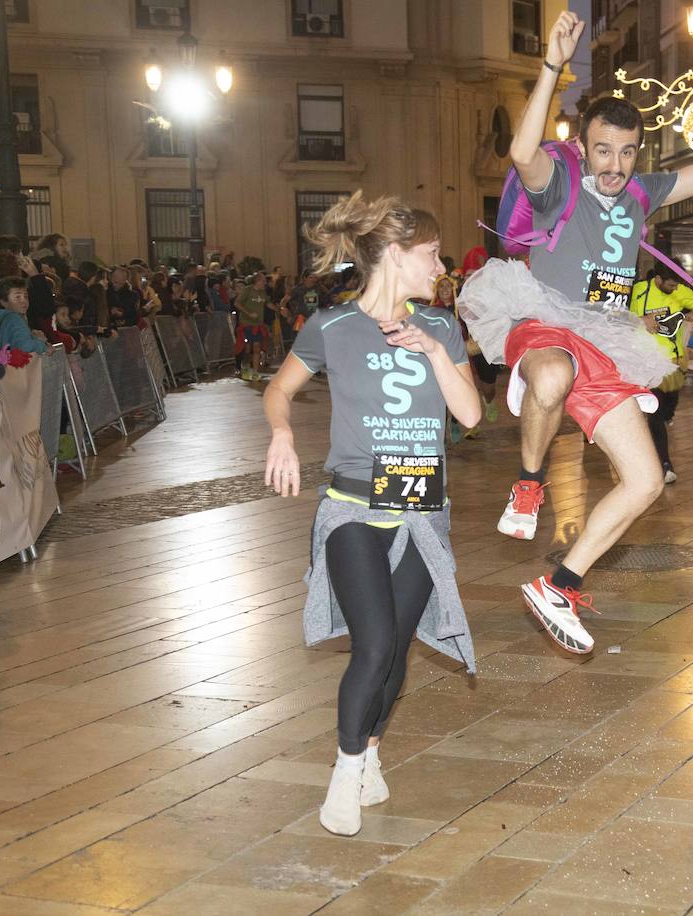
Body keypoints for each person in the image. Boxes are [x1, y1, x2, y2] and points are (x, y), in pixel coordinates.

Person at [457, 9, 693, 655]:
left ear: (639, 151)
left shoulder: (644, 192)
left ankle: (560, 584)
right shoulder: (560, 186)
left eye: (627, 152)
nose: (614, 166)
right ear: (584, 146)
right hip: (545, 319)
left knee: (644, 480)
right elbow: (522, 151)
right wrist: (552, 67)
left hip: (606, 339)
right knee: (553, 373)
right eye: (604, 150)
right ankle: (528, 483)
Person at [263, 191, 480, 838]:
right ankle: (345, 770)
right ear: (393, 255)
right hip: (353, 507)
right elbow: (278, 390)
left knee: (397, 657)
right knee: (375, 643)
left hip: (421, 514)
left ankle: (372, 753)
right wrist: (281, 435)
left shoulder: (441, 326)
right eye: (431, 254)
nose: (440, 266)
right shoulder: (331, 327)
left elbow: (469, 417)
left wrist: (436, 354)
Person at [631, 263, 693, 483]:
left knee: (666, 409)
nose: (675, 288)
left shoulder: (679, 291)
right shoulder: (638, 291)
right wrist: (641, 321)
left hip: (674, 363)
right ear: (658, 279)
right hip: (646, 362)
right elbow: (616, 316)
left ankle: (660, 446)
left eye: (677, 284)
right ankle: (664, 464)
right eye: (671, 284)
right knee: (654, 414)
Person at [0, 277, 48, 354]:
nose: (24, 301)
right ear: (4, 302)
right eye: (17, 297)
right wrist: (41, 343)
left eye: (26, 296)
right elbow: (25, 347)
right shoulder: (14, 319)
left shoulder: (2, 318)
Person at [235, 272, 272, 380]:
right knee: (247, 348)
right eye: (263, 280)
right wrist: (248, 313)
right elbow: (237, 303)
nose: (265, 282)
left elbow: (267, 303)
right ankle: (246, 368)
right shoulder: (247, 290)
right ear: (257, 280)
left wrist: (279, 309)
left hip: (258, 324)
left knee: (257, 347)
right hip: (247, 323)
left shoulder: (263, 292)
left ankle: (255, 371)